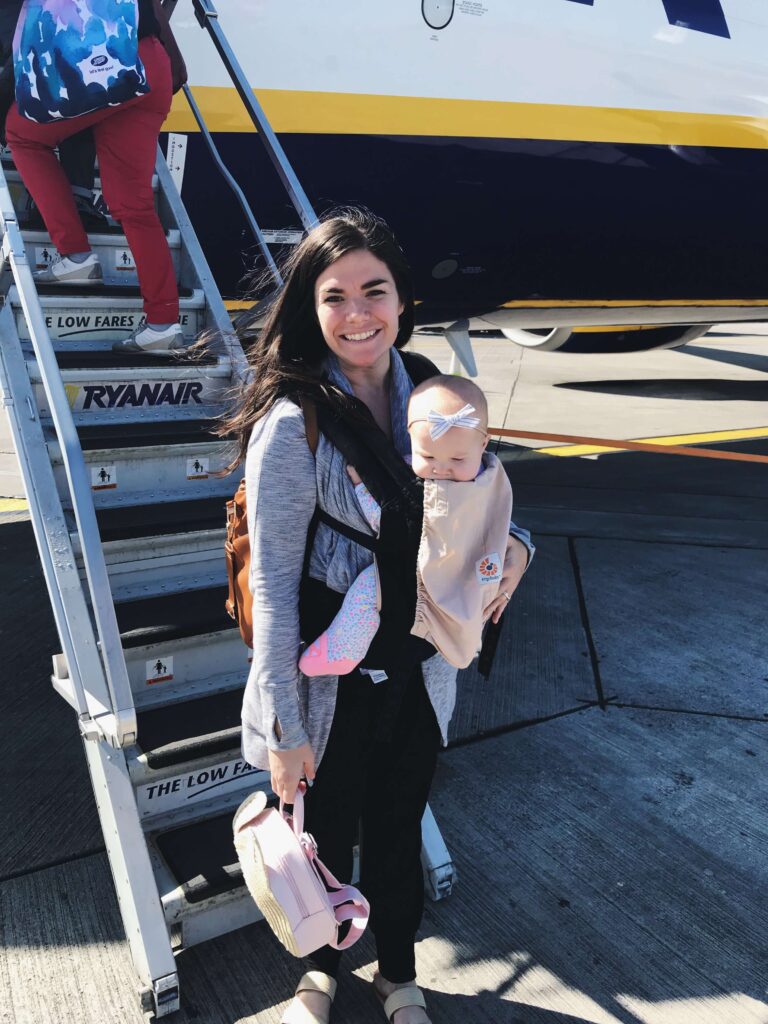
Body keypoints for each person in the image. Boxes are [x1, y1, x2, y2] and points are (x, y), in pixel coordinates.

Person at [225, 208, 534, 1024]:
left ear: (402, 301)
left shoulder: (438, 397)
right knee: (321, 832)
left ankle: (398, 974)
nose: (357, 313)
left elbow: (486, 505)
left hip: (418, 664)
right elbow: (276, 589)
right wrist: (284, 726)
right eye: (335, 296)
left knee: (398, 824)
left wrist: (522, 553)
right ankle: (320, 974)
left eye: (375, 291)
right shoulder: (295, 423)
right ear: (311, 308)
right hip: (327, 672)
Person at [299, 374, 515, 676]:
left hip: (449, 572)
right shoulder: (446, 466)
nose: (441, 469)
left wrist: (364, 490)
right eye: (426, 455)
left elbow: (391, 522)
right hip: (433, 575)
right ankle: (347, 645)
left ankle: (343, 646)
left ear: (484, 444)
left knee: (369, 587)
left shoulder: (481, 484)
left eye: (457, 458)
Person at [5, 0, 188, 355]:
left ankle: (75, 255)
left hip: (102, 62)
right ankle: (162, 324)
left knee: (22, 135)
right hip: (151, 65)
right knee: (133, 205)